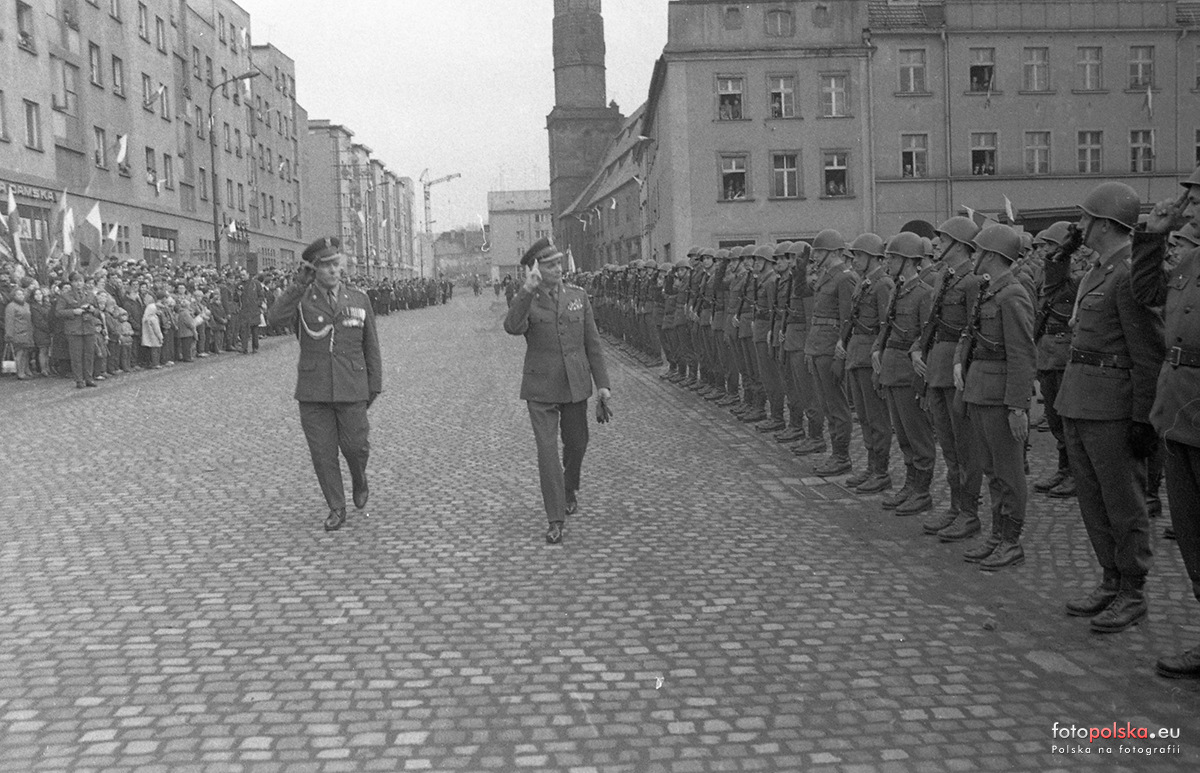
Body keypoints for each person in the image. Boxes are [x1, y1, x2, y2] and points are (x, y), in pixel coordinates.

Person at [1057, 182, 1164, 633]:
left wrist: (1143, 419)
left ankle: (1133, 591)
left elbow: (1148, 354)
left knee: (1123, 502)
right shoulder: (1097, 272)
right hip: (1081, 400)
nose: (1080, 225)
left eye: (1085, 218)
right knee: (1093, 501)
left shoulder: (1128, 275)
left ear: (1104, 224)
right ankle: (1110, 579)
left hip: (1113, 408)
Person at [1132, 168, 1200, 675]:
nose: (1189, 209)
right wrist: (1152, 237)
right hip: (1179, 413)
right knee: (1193, 536)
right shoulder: (1191, 259)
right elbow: (1146, 292)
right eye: (1189, 200)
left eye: (1198, 201)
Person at [267, 237, 382, 532]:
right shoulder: (302, 300)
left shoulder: (358, 299)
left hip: (351, 386)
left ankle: (359, 478)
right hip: (314, 390)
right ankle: (336, 506)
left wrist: (374, 385)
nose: (333, 270)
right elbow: (274, 319)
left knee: (356, 447)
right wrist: (297, 286)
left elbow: (371, 345)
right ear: (314, 270)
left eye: (336, 264)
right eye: (326, 266)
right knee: (323, 453)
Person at [504, 237, 611, 545]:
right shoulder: (527, 298)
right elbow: (512, 327)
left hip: (574, 384)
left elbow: (592, 343)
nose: (558, 269)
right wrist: (527, 290)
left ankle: (569, 486)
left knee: (577, 443)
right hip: (541, 389)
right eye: (550, 265)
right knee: (548, 453)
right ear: (536, 269)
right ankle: (555, 518)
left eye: (559, 264)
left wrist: (603, 385)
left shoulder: (578, 296)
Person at [954, 224, 1037, 571]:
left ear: (991, 255)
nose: (974, 256)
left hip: (1001, 398)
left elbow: (1022, 354)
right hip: (980, 392)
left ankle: (1011, 542)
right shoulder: (991, 291)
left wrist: (1018, 407)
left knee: (1008, 473)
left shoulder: (1012, 295)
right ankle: (997, 535)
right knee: (991, 470)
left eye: (979, 251)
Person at [54, 271, 100, 388]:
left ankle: (89, 378)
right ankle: (79, 380)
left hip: (88, 327)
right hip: (74, 329)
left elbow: (98, 311)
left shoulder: (90, 295)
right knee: (76, 356)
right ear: (71, 282)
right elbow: (58, 312)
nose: (78, 284)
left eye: (81, 281)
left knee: (89, 355)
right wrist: (73, 311)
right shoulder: (65, 296)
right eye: (76, 281)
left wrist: (92, 310)